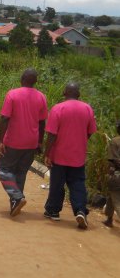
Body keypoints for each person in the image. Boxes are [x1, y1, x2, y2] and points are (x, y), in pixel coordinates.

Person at [43, 83, 97, 228]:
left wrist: (47, 153)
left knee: (57, 184)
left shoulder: (58, 108)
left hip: (59, 154)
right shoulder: (87, 109)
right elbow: (91, 131)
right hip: (78, 155)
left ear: (64, 93)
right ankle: (80, 210)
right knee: (78, 183)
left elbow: (52, 134)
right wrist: (82, 140)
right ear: (78, 94)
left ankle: (53, 211)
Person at [0, 68, 48, 216]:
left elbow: (5, 118)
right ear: (35, 81)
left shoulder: (12, 94)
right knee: (21, 173)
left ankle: (17, 197)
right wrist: (39, 142)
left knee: (4, 170)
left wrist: (1, 140)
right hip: (31, 142)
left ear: (22, 79)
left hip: (13, 141)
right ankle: (15, 202)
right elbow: (42, 122)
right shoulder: (41, 97)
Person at [104, 120, 120, 227]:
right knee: (112, 196)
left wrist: (109, 174)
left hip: (117, 174)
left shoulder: (115, 141)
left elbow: (113, 161)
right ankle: (109, 219)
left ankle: (109, 219)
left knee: (117, 200)